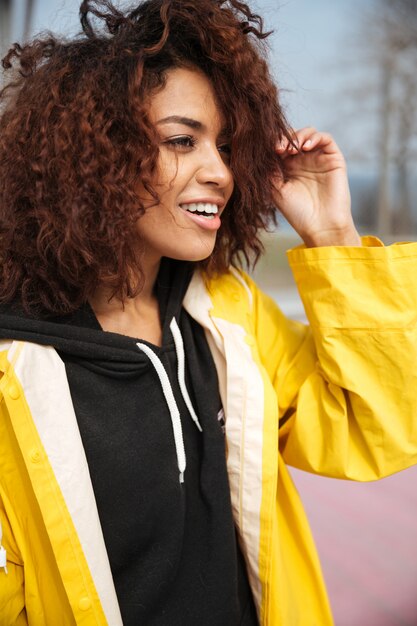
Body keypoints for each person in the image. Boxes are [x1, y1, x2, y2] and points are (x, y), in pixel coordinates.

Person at [0, 0, 416, 624]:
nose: (220, 171)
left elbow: (375, 428)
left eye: (225, 146)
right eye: (180, 140)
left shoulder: (229, 318)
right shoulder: (13, 375)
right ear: (89, 153)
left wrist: (333, 236)